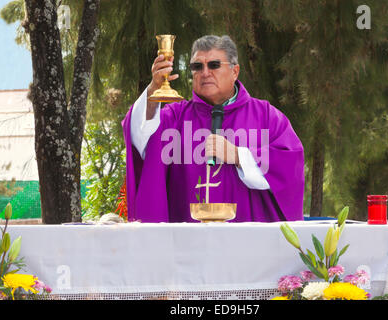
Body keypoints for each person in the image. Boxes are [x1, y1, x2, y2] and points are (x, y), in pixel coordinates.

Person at [122, 35, 305, 222]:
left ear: (235, 71)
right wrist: (154, 89)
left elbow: (291, 163)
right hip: (188, 242)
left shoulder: (265, 116)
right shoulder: (175, 117)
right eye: (197, 66)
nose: (205, 72)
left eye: (214, 65)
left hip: (248, 242)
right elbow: (140, 137)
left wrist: (238, 156)